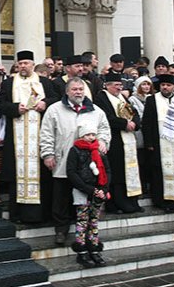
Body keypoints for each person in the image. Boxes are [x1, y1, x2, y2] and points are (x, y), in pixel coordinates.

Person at [39, 78, 110, 246]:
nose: (78, 92)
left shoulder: (96, 111)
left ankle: (86, 231)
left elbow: (104, 129)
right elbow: (47, 133)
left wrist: (103, 142)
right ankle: (61, 230)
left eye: (81, 89)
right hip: (63, 161)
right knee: (61, 198)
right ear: (67, 91)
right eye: (74, 89)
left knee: (85, 199)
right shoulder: (54, 110)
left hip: (87, 166)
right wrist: (48, 154)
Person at [0, 50, 58, 226]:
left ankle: (42, 214)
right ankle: (19, 214)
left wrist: (45, 103)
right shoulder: (9, 83)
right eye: (20, 63)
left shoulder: (44, 82)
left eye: (26, 63)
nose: (23, 66)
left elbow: (56, 98)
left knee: (42, 175)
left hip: (40, 136)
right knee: (18, 174)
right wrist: (16, 108)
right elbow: (0, 105)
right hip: (17, 139)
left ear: (32, 64)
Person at [140, 74, 174, 212]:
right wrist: (149, 142)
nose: (165, 87)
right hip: (159, 142)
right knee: (160, 171)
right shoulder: (152, 100)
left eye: (168, 85)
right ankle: (163, 201)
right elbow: (147, 122)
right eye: (163, 85)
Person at [94, 72, 142, 214]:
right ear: (107, 86)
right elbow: (105, 117)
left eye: (120, 85)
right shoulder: (101, 98)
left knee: (130, 172)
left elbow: (135, 113)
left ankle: (132, 202)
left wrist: (134, 123)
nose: (119, 88)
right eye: (116, 86)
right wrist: (124, 124)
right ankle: (117, 203)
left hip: (128, 140)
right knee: (117, 173)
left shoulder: (123, 97)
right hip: (114, 140)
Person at [66, 122, 111, 268]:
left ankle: (94, 248)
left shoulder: (98, 151)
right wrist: (89, 189)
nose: (91, 137)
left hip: (98, 192)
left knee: (94, 221)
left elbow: (107, 171)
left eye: (93, 134)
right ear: (82, 135)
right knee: (82, 221)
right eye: (87, 135)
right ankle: (82, 251)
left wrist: (103, 189)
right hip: (82, 191)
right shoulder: (75, 150)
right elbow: (72, 173)